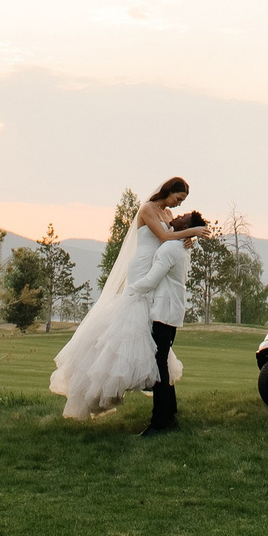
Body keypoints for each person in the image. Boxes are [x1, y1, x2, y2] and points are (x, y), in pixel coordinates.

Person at [49, 177, 211, 421]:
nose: (178, 206)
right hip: (144, 265)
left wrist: (188, 239)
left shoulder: (167, 213)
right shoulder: (147, 209)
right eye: (178, 199)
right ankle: (109, 381)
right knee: (131, 324)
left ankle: (163, 404)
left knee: (156, 336)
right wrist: (192, 232)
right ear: (169, 191)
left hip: (157, 268)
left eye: (182, 202)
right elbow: (166, 238)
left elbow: (175, 235)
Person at [130, 211, 204, 436]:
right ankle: (169, 412)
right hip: (170, 311)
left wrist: (130, 291)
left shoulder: (170, 249)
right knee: (162, 361)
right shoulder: (179, 245)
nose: (178, 216)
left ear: (187, 226)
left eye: (184, 217)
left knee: (158, 364)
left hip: (164, 312)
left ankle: (159, 421)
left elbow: (153, 279)